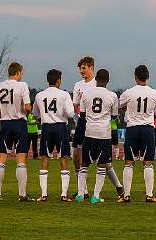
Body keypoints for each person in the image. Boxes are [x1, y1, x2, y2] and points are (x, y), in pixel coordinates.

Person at [75, 69, 120, 204]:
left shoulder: (86, 94)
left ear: (96, 80)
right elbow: (114, 116)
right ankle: (95, 196)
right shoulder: (112, 95)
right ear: (108, 80)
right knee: (101, 165)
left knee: (84, 165)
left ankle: (81, 195)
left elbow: (82, 115)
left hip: (89, 132)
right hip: (104, 134)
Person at [118, 65, 156, 203]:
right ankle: (149, 195)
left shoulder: (128, 92)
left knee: (129, 162)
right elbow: (153, 109)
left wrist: (126, 107)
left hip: (132, 129)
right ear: (148, 77)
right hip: (148, 129)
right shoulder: (155, 93)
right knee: (148, 163)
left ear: (135, 76)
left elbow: (120, 105)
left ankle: (126, 195)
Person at [0, 62, 33, 202]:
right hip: (19, 124)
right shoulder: (22, 85)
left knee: (1, 158)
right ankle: (22, 194)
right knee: (20, 160)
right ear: (19, 72)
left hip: (5, 124)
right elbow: (27, 108)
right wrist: (27, 109)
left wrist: (3, 112)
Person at [33, 69, 74, 202]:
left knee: (45, 158)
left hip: (46, 127)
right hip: (61, 127)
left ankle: (44, 194)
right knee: (64, 158)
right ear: (58, 81)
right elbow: (71, 114)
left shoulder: (40, 95)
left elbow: (35, 114)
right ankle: (63, 194)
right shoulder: (64, 94)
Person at [72, 56, 96, 198]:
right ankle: (83, 189)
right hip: (82, 122)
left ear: (91, 67)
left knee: (101, 160)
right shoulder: (77, 85)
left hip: (95, 123)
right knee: (76, 155)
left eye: (84, 68)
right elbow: (76, 104)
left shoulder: (97, 84)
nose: (82, 71)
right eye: (80, 69)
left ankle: (118, 187)